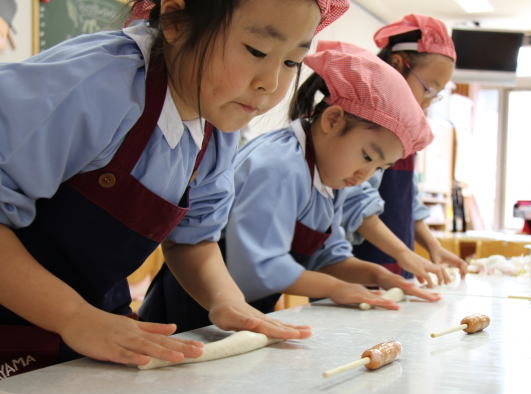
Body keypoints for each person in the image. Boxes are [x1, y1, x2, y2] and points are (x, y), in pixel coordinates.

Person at [0, 0, 348, 377]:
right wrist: (73, 316)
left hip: (95, 321)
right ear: (176, 21)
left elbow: (192, 240)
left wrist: (227, 300)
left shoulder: (214, 129)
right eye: (256, 50)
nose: (271, 83)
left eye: (291, 61)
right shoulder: (96, 83)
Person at [139, 40, 441, 332]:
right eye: (367, 157)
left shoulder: (327, 180)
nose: (366, 175)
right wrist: (335, 288)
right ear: (333, 120)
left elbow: (327, 257)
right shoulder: (277, 166)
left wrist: (380, 276)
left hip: (243, 316)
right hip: (191, 316)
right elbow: (262, 267)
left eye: (379, 168)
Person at [341, 14, 467, 287]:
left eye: (437, 94)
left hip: (398, 265)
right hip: (356, 268)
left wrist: (433, 247)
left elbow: (407, 198)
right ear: (398, 64)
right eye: (428, 88)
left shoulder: (406, 126)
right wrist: (403, 253)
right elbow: (355, 201)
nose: (429, 101)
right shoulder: (366, 123)